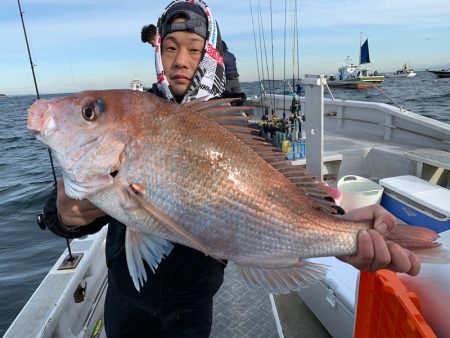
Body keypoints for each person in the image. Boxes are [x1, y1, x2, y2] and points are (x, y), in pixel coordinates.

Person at [38, 1, 420, 337]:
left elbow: (275, 192)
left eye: (193, 48)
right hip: (126, 301)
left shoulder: (237, 129)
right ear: (158, 54)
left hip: (193, 306)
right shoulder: (136, 115)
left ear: (210, 55)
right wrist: (65, 215)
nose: (180, 60)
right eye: (169, 48)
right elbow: (69, 214)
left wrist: (340, 225)